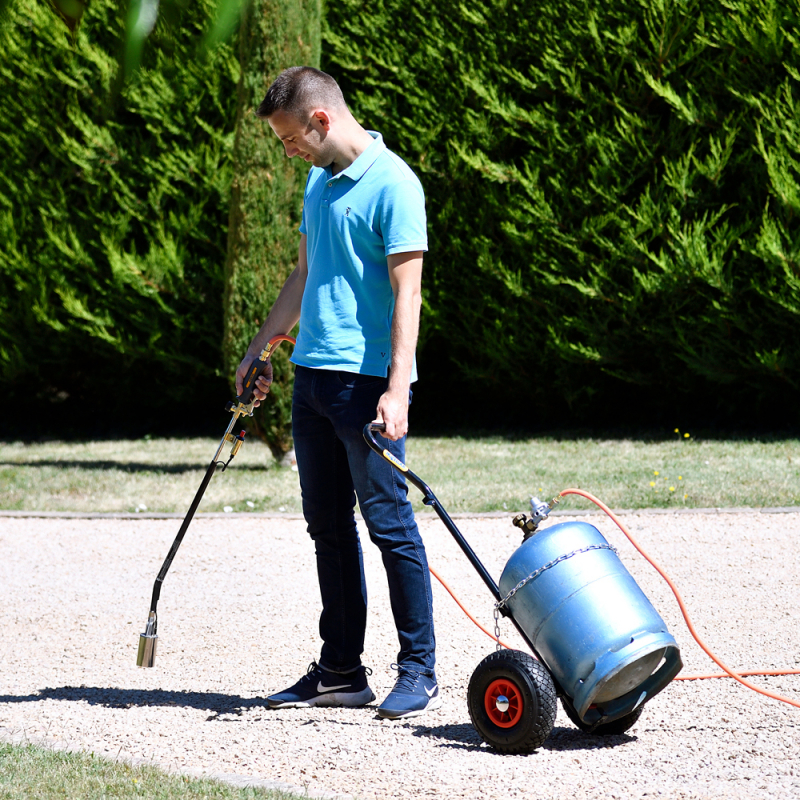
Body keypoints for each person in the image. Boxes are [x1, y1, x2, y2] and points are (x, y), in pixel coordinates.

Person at [235, 66, 438, 720]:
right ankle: (342, 671)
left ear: (321, 121)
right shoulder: (319, 184)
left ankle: (419, 669)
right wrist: (260, 346)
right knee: (326, 527)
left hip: (367, 386)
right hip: (314, 383)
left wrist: (398, 389)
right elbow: (304, 274)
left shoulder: (394, 185)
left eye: (292, 139)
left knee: (390, 525)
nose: (289, 153)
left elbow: (408, 294)